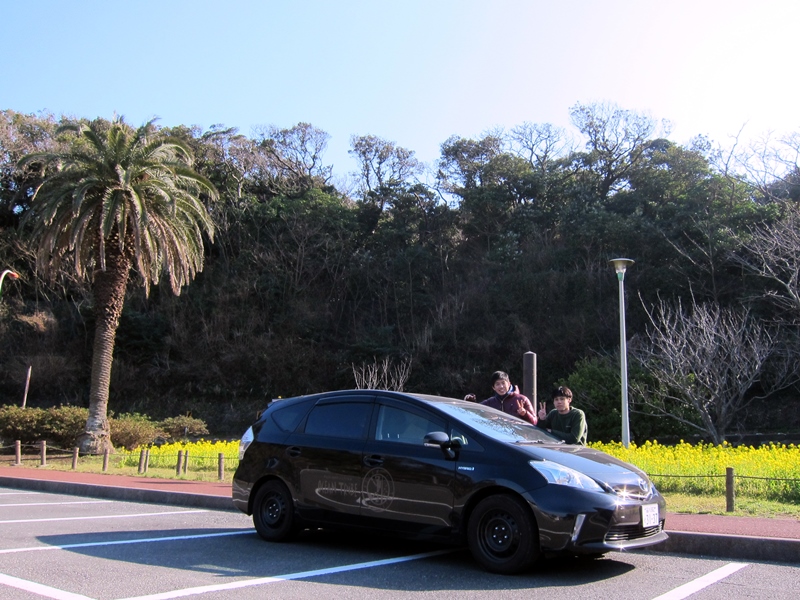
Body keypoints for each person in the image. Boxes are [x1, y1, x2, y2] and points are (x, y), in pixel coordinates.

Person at [464, 371, 538, 425]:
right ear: (493, 387)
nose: (501, 386)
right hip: (497, 440)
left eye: (503, 383)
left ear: (509, 384)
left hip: (519, 441)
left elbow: (534, 421)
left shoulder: (522, 399)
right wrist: (468, 403)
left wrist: (524, 413)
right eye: (497, 384)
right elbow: (473, 413)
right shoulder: (489, 402)